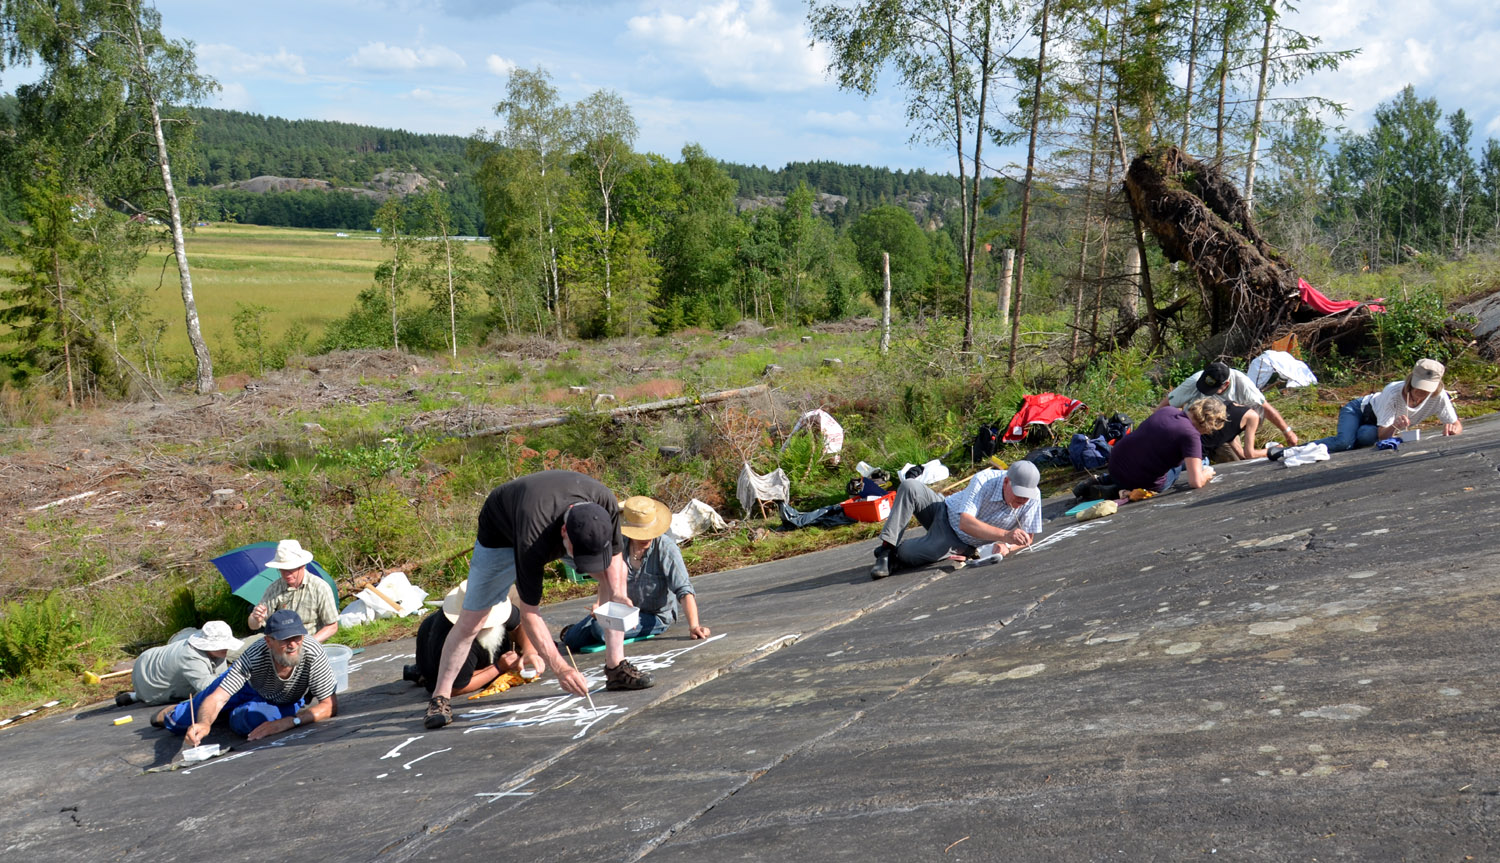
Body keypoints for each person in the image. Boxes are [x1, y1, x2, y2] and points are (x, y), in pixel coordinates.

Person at [424, 470, 649, 731]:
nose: (582, 568)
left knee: (613, 582)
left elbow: (616, 561)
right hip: (503, 535)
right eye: (579, 557)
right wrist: (562, 668)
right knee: (473, 620)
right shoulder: (533, 536)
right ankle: (440, 698)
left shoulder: (605, 504)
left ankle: (616, 669)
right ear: (564, 533)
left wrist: (620, 595)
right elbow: (530, 613)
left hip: (553, 516)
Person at [154, 609, 338, 744]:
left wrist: (289, 722)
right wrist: (203, 723)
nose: (293, 645)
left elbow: (329, 706)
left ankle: (228, 714)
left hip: (283, 699)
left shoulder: (313, 652)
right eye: (285, 640)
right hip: (246, 687)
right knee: (184, 721)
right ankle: (179, 710)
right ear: (269, 641)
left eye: (297, 637)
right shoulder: (253, 655)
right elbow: (218, 697)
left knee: (250, 721)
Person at [559, 496, 711, 652]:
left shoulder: (665, 548)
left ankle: (594, 630)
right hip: (623, 611)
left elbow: (684, 590)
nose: (645, 537)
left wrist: (694, 626)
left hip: (653, 616)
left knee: (600, 629)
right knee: (572, 639)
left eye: (648, 532)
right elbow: (607, 578)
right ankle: (582, 630)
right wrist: (600, 605)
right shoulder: (620, 545)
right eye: (639, 533)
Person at [870, 460, 1043, 580]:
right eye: (1019, 493)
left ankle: (897, 554)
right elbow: (966, 522)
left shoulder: (1033, 497)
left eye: (1027, 496)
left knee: (908, 553)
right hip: (942, 508)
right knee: (910, 486)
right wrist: (1005, 535)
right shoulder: (984, 480)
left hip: (955, 538)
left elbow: (1027, 537)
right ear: (1006, 482)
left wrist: (1007, 546)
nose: (1023, 500)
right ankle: (886, 551)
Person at [405, 580, 540, 696]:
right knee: (454, 676)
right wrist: (499, 667)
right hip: (443, 665)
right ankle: (422, 672)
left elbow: (520, 624)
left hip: (461, 650)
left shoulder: (495, 608)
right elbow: (454, 689)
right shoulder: (455, 641)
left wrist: (530, 652)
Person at [1314, 358, 1462, 453]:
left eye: (1427, 389)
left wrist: (1453, 429)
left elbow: (1456, 423)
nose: (1422, 393)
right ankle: (1295, 450)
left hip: (1374, 427)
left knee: (1367, 435)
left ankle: (1353, 438)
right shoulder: (1393, 391)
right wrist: (1395, 426)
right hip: (1360, 410)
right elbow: (1383, 434)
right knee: (1344, 443)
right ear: (1411, 380)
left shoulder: (1439, 396)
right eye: (1419, 387)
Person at [1161, 360, 1299, 448]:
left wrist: (1288, 432)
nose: (1208, 391)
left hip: (1225, 429)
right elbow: (1167, 404)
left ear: (1226, 384)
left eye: (1213, 390)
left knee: (1239, 462)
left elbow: (1265, 408)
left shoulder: (1242, 383)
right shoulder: (1195, 381)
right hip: (1196, 428)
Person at [1108, 398, 1226, 493]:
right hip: (1138, 480)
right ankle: (1121, 488)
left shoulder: (1168, 410)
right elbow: (1196, 483)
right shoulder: (1191, 435)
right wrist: (1206, 474)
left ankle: (1105, 480)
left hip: (1115, 466)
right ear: (1210, 425)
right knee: (1190, 465)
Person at [115, 621, 242, 707]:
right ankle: (140, 695)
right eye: (222, 645)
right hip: (147, 679)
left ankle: (134, 696)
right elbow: (211, 688)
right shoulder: (191, 656)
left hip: (148, 660)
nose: (226, 647)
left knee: (197, 682)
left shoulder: (217, 652)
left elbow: (222, 676)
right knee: (202, 694)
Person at [248, 539, 338, 643]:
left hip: (308, 640)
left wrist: (311, 643)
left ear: (302, 566)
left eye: (290, 569)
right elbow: (253, 626)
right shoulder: (274, 588)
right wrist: (255, 618)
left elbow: (332, 626)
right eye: (282, 569)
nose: (286, 574)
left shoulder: (320, 587)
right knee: (234, 651)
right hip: (278, 643)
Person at [1199, 401, 1266, 463]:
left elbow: (1231, 438)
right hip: (1198, 454)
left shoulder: (1230, 407)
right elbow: (1250, 454)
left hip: (1193, 446)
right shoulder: (1252, 416)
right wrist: (1271, 450)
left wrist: (1243, 456)